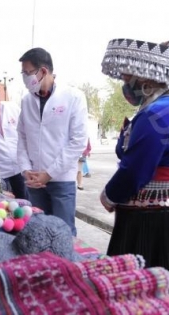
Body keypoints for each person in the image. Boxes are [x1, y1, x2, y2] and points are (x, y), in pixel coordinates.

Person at [99, 38, 169, 268]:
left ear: (149, 75)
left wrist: (110, 195)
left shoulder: (157, 113)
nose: (125, 82)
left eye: (129, 75)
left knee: (137, 283)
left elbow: (136, 169)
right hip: (156, 214)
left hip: (148, 220)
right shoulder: (157, 107)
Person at [17, 48, 88, 236]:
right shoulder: (26, 101)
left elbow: (78, 141)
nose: (24, 77)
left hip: (61, 179)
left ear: (43, 71)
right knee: (38, 232)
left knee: (63, 233)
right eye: (22, 73)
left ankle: (66, 265)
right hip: (34, 180)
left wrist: (50, 173)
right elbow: (22, 137)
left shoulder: (73, 97)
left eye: (27, 72)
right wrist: (25, 170)